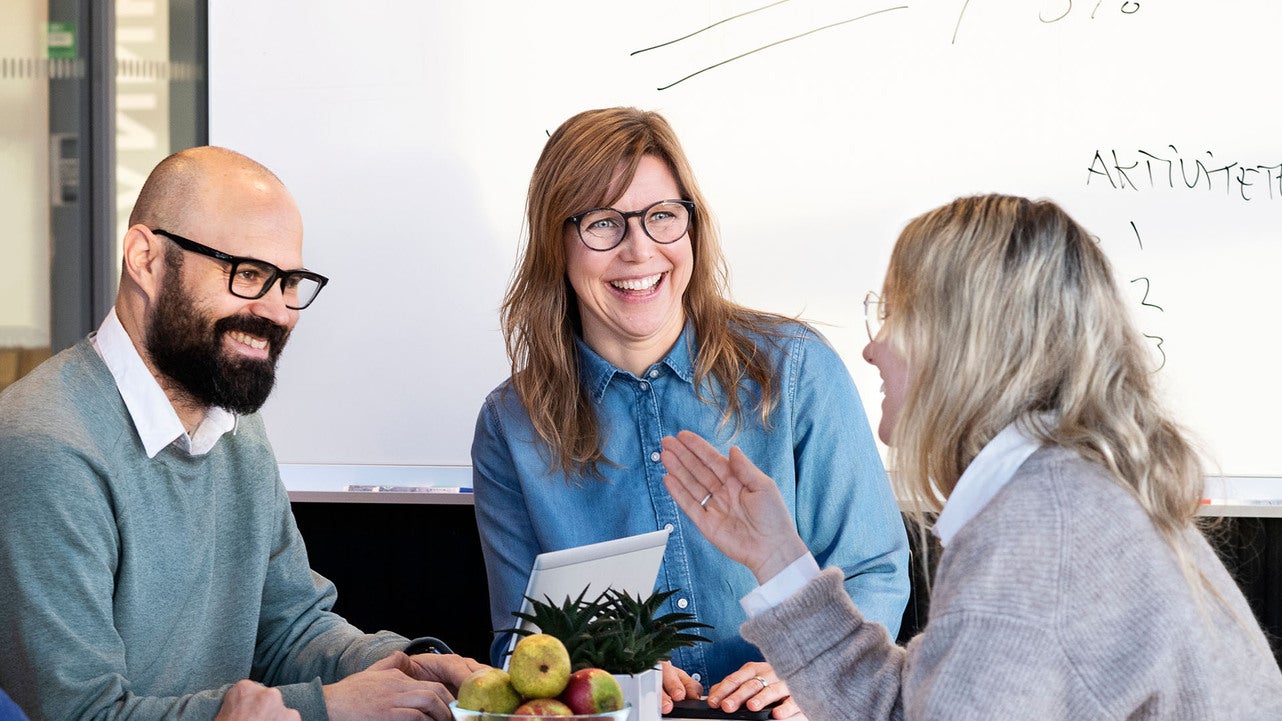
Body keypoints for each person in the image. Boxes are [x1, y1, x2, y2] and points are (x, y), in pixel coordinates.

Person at [659, 193, 1282, 719]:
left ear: (963, 342)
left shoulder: (1040, 536)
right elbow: (913, 706)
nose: (873, 348)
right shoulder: (1062, 498)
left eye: (896, 314)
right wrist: (778, 559)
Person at [0, 147, 485, 721]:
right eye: (249, 274)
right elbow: (82, 714)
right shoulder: (44, 446)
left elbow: (288, 631)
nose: (278, 311)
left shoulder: (234, 427)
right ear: (145, 260)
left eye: (290, 282)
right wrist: (326, 707)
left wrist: (404, 666)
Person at [471, 107, 910, 718]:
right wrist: (613, 676)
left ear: (693, 229)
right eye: (603, 223)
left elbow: (872, 570)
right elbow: (521, 647)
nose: (639, 250)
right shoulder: (510, 424)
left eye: (662, 218)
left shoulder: (797, 370)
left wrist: (807, 667)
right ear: (556, 243)